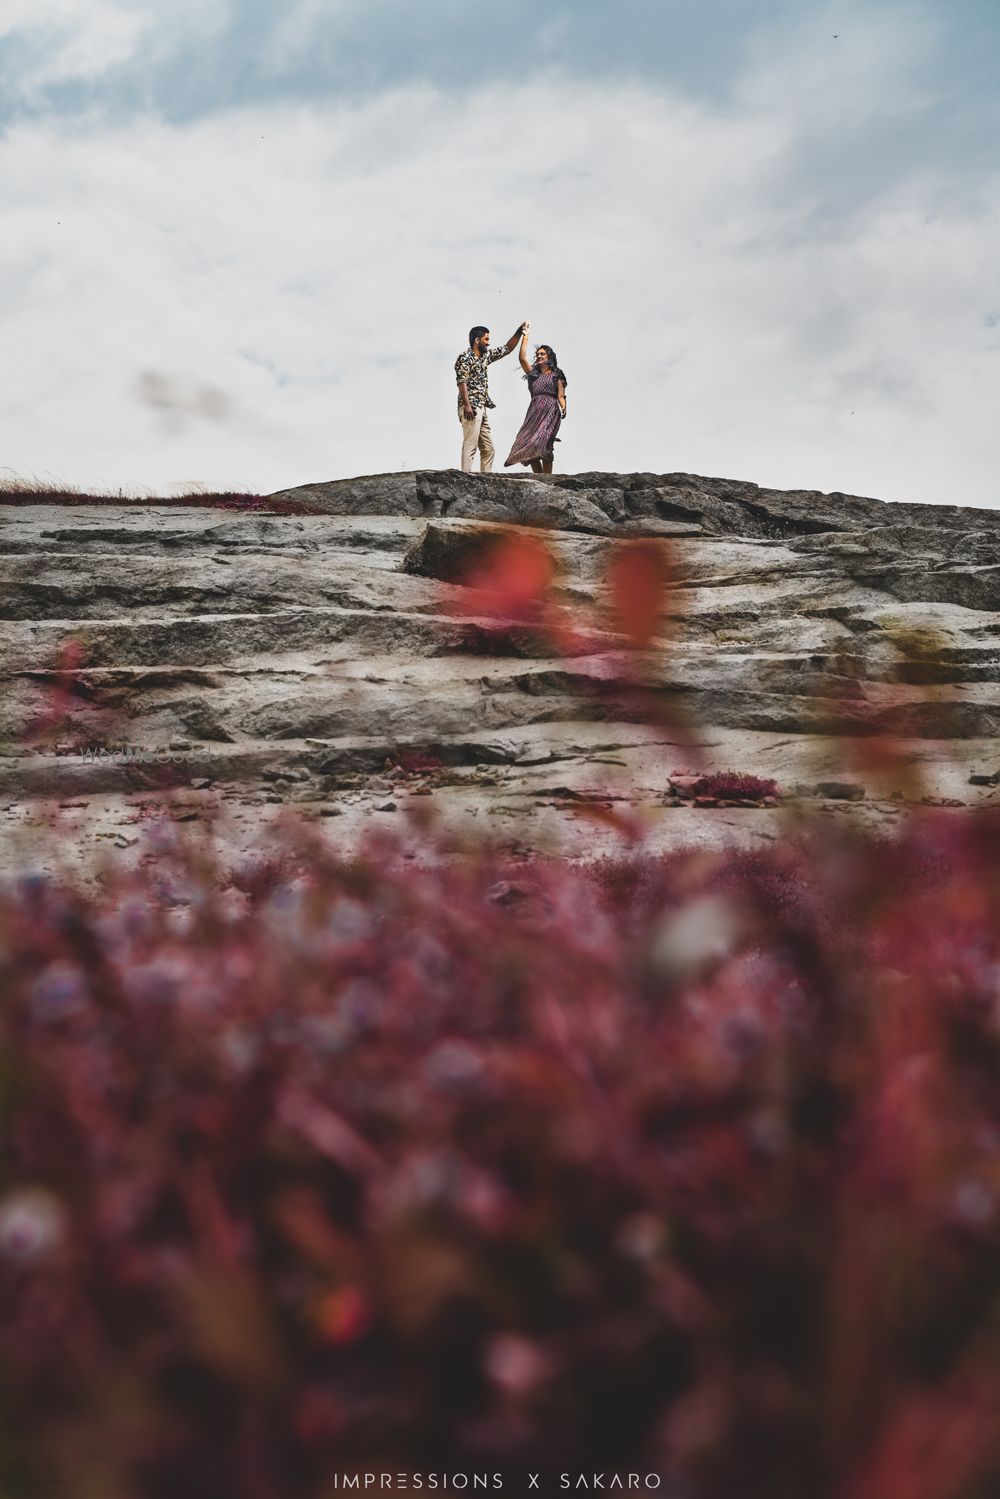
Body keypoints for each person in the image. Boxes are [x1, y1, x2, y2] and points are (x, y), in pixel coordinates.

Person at [455, 321, 528, 473]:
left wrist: (519, 332)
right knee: (471, 444)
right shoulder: (465, 358)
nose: (489, 343)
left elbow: (507, 349)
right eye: (486, 339)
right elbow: (462, 382)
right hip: (471, 406)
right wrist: (467, 405)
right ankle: (464, 478)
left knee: (488, 449)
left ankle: (485, 478)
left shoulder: (485, 356)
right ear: (477, 340)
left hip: (482, 407)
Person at [503, 324, 567, 473]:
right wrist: (525, 337)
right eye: (537, 354)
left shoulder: (557, 374)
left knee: (544, 441)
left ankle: (548, 478)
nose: (538, 356)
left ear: (549, 357)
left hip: (550, 410)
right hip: (534, 411)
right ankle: (540, 478)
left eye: (542, 354)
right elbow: (522, 358)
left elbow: (560, 394)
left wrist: (563, 405)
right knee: (530, 444)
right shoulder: (534, 375)